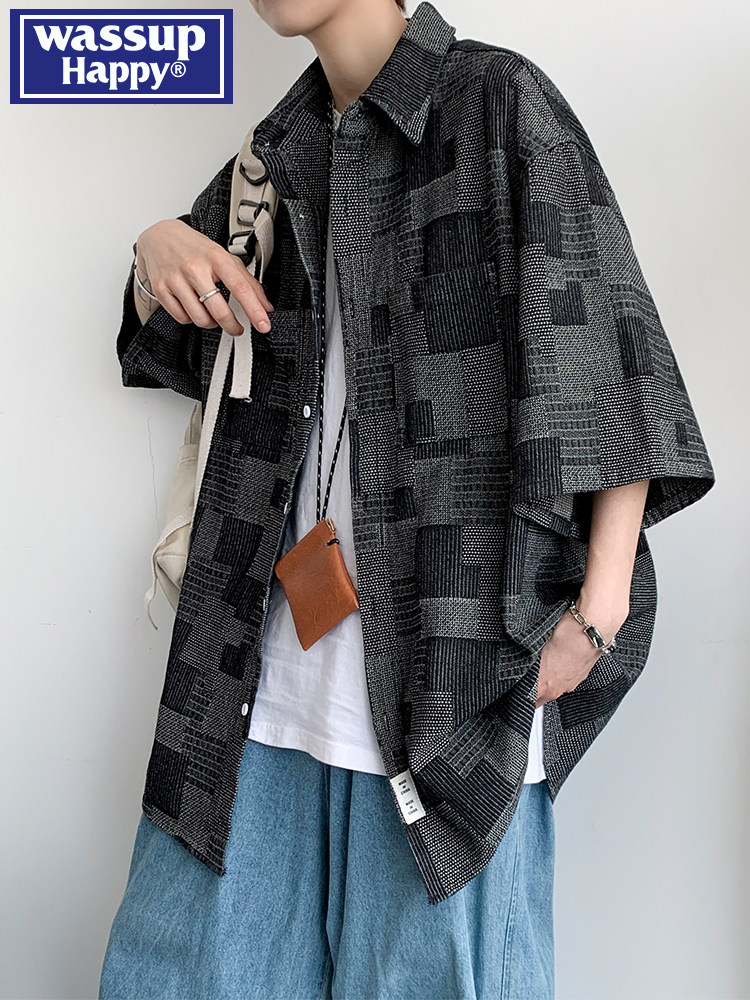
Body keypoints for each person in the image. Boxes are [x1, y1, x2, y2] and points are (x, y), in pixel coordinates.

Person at [98, 1, 716, 998]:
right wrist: (155, 248)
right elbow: (169, 345)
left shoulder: (499, 103)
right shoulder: (278, 151)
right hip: (254, 693)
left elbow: (614, 363)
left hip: (452, 699)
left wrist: (596, 614)